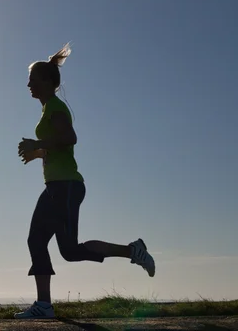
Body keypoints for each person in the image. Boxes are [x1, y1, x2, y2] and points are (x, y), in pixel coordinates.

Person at [14, 43, 155, 320]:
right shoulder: (48, 110)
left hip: (65, 186)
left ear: (47, 82)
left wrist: (38, 143)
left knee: (46, 243)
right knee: (62, 248)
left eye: (32, 80)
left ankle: (45, 305)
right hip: (59, 186)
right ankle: (132, 251)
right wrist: (37, 154)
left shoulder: (55, 107)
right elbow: (60, 147)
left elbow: (70, 139)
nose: (28, 84)